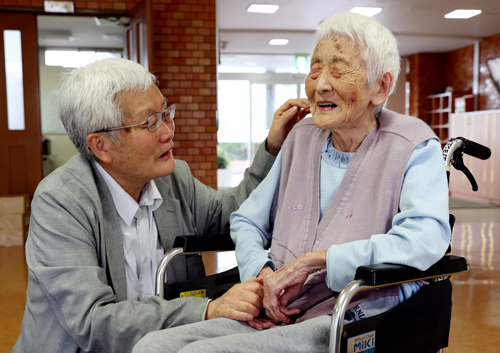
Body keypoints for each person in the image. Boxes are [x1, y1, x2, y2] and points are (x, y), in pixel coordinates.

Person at [132, 11, 451, 353]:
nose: (321, 83)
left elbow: (425, 237)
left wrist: (315, 261)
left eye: (339, 69)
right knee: (152, 346)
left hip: (350, 313)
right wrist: (263, 275)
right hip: (277, 306)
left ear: (381, 86)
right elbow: (245, 220)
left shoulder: (412, 143)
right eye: (315, 69)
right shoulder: (302, 137)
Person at [12, 58, 310, 353]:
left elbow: (232, 213)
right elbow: (93, 324)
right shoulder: (61, 202)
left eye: (166, 113)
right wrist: (205, 311)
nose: (168, 132)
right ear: (101, 146)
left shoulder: (173, 178)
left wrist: (273, 148)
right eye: (149, 122)